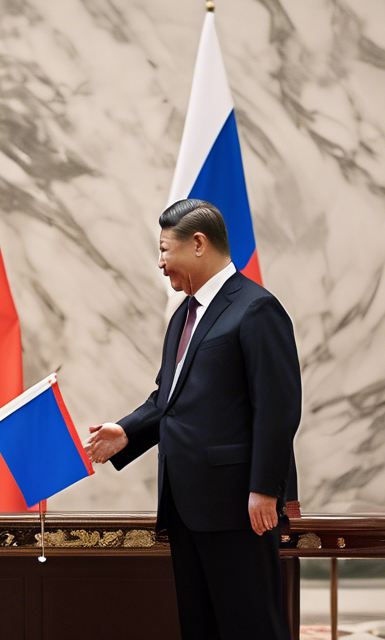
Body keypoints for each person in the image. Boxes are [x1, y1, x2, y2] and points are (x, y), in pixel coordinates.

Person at [85, 199, 300, 640]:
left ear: (198, 244)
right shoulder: (184, 314)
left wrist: (264, 489)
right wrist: (127, 431)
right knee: (200, 627)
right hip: (186, 506)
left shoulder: (256, 308)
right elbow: (168, 397)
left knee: (251, 627)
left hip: (238, 507)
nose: (160, 263)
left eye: (165, 250)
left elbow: (278, 408)